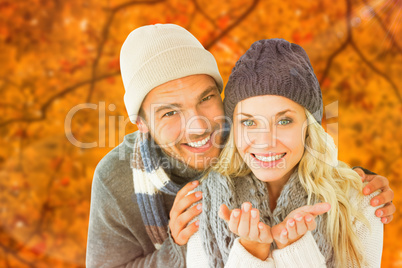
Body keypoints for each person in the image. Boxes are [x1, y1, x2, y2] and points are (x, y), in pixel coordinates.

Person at [86, 24, 395, 267]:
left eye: (206, 98)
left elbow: (299, 146)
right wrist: (178, 250)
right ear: (141, 124)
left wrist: (357, 183)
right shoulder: (116, 178)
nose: (199, 126)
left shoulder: (242, 135)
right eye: (169, 112)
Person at [187, 38, 386, 267]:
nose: (265, 142)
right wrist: (251, 252)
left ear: (309, 127)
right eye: (249, 123)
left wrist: (297, 251)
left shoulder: (358, 201)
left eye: (284, 121)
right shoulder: (202, 203)